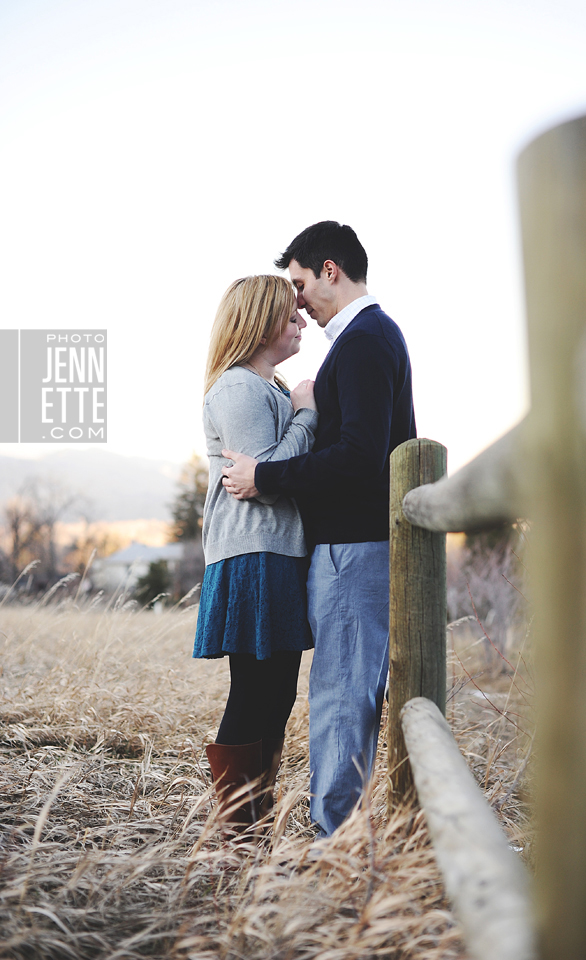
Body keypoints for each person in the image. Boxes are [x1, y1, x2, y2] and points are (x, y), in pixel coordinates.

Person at [221, 222, 416, 836]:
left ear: (330, 270)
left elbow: (360, 456)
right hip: (353, 544)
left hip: (355, 547)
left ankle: (332, 843)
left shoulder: (362, 342)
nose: (297, 298)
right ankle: (333, 833)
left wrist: (268, 477)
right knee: (342, 694)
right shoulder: (366, 339)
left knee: (339, 698)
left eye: (301, 282)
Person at [194, 274, 318, 831]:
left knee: (277, 694)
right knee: (255, 691)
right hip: (252, 552)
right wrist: (307, 413)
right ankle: (236, 834)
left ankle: (253, 825)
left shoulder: (267, 387)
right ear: (262, 321)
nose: (301, 322)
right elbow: (266, 473)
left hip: (276, 550)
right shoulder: (238, 387)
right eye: (289, 315)